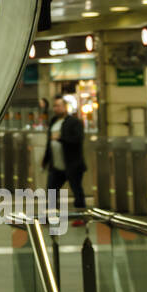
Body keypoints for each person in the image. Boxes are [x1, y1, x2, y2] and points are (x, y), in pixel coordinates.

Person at [43, 96, 87, 224]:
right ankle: (51, 216)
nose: (56, 108)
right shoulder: (53, 122)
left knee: (77, 190)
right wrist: (46, 160)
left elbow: (78, 139)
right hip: (56, 165)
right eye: (55, 106)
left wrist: (61, 138)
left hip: (72, 164)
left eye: (58, 105)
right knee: (51, 191)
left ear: (65, 107)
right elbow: (49, 142)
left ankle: (81, 217)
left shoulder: (74, 122)